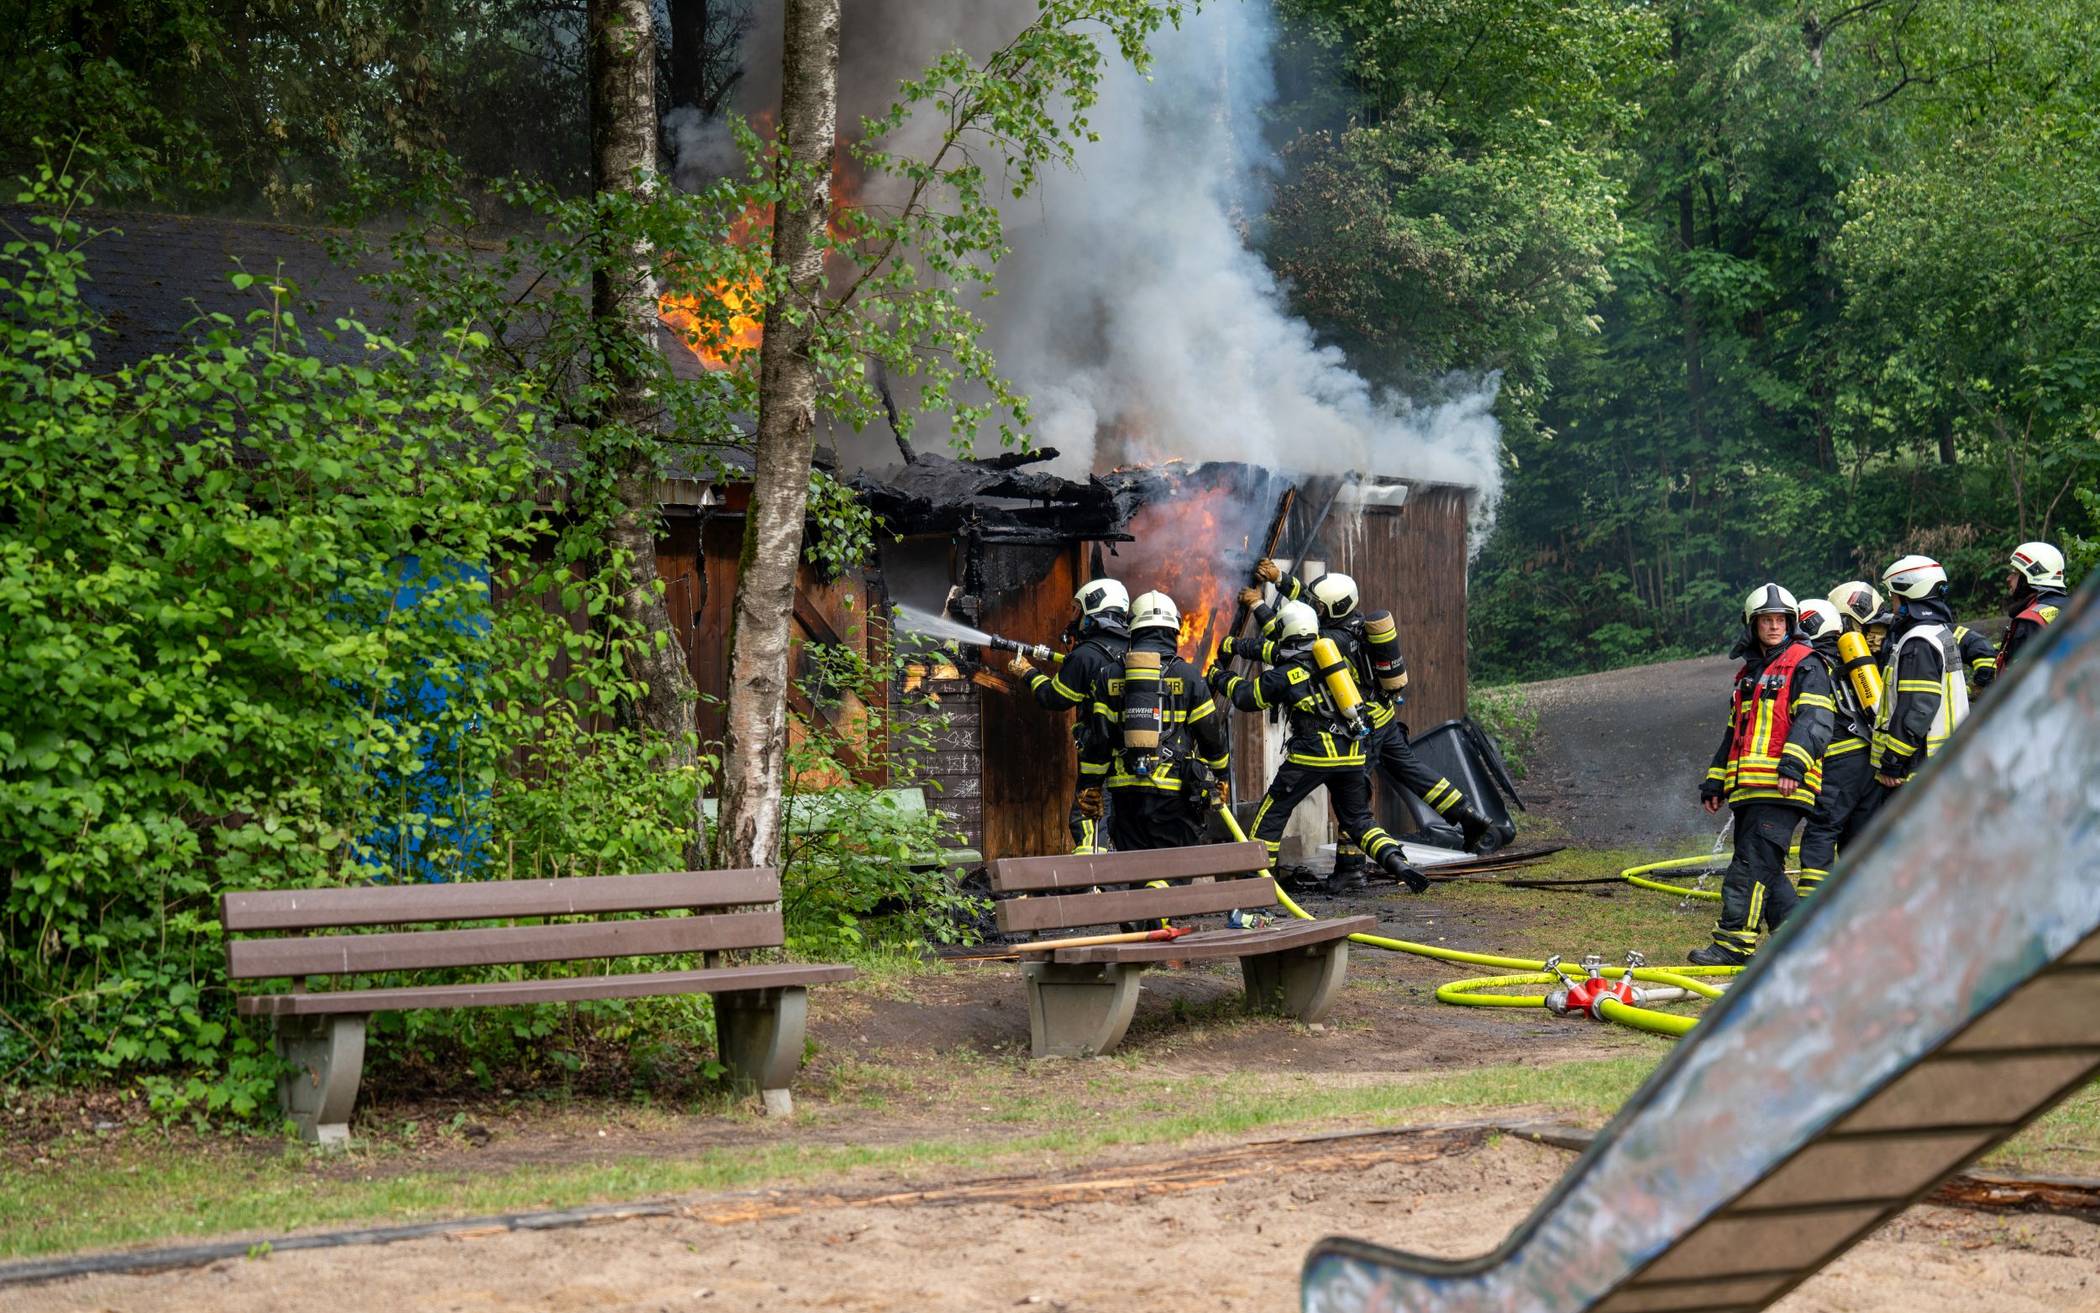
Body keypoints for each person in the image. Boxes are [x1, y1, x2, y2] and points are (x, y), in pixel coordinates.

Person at [1236, 560, 1512, 864]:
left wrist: (1259, 606)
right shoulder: (1356, 624)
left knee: (1354, 800)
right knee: (1413, 772)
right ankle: (1467, 815)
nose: (1315, 609)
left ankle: (1351, 869)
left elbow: (1284, 642)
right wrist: (1280, 579)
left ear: (1333, 609)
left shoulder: (1328, 641)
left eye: (1321, 606)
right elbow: (1312, 604)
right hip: (1384, 716)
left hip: (1362, 725)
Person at [1209, 600, 1427, 894]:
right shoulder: (1334, 661)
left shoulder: (1285, 673)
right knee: (1360, 820)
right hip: (1351, 753)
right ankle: (1398, 862)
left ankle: (1255, 882)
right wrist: (1237, 645)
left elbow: (1247, 697)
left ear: (1287, 632)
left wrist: (1218, 676)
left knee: (1272, 814)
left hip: (1312, 756)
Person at [1689, 584, 1834, 966]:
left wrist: (1793, 766)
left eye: (1780, 620)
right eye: (1766, 620)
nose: (1773, 626)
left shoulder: (1806, 662)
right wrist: (1715, 781)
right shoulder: (1748, 676)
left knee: (1749, 867)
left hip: (1783, 787)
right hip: (1751, 788)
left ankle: (1733, 945)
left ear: (1790, 623)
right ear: (1752, 625)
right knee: (1766, 870)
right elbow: (1732, 736)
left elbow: (1816, 720)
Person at [1078, 590, 1230, 852]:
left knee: (1136, 870)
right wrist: (1221, 775)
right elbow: (1210, 734)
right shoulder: (1189, 676)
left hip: (1125, 795)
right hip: (1175, 795)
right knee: (1172, 874)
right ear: (1174, 630)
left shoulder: (1109, 675)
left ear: (1133, 629)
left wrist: (1089, 786)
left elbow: (1097, 738)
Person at [1008, 578, 1130, 853]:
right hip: (1136, 765)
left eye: (1078, 610)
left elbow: (1055, 697)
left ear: (1093, 609)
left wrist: (1027, 672)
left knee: (1087, 823)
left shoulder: (1086, 655)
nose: (1075, 618)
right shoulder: (1135, 649)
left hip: (1101, 762)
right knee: (1123, 827)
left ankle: (1096, 886)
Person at [1858, 555, 1970, 831]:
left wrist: (1893, 763)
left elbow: (1917, 709)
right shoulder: (1940, 634)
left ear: (1909, 595)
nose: (1893, 605)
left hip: (1916, 771)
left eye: (1894, 597)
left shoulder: (1918, 642)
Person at [1792, 598, 1872, 897]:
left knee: (1822, 830)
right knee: (1858, 834)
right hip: (1868, 758)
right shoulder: (1847, 659)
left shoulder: (1812, 665)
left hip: (1838, 761)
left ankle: (1809, 910)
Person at [1999, 540, 2071, 675]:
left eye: (2015, 572)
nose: (2008, 578)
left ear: (2032, 574)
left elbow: (2021, 679)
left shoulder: (2030, 621)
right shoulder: (2074, 608)